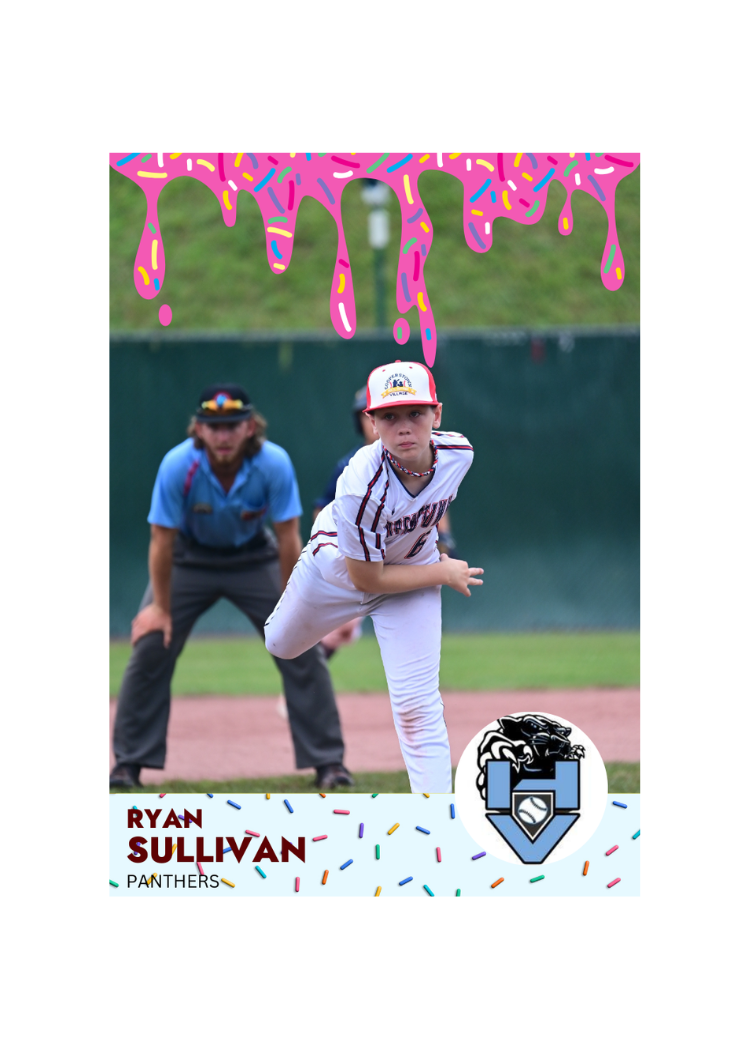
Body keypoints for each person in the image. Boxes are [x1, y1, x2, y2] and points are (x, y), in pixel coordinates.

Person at [110, 383, 353, 790]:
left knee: (302, 645)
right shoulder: (178, 465)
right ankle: (127, 764)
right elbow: (161, 540)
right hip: (189, 558)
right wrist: (160, 609)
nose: (223, 435)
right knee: (152, 642)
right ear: (198, 429)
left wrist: (296, 603)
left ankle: (328, 763)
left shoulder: (273, 463)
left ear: (250, 427)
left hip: (254, 557)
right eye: (213, 426)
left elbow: (288, 536)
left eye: (232, 425)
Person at [265, 361, 483, 793]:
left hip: (410, 572)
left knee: (417, 706)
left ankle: (436, 816)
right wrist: (441, 571)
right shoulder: (360, 484)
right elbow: (367, 580)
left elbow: (431, 506)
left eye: (415, 413)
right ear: (372, 422)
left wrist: (433, 556)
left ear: (437, 414)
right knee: (280, 644)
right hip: (337, 572)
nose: (404, 426)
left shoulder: (459, 454)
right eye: (389, 416)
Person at [312, 385, 459, 660]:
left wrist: (445, 535)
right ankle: (309, 679)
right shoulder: (351, 466)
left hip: (404, 555)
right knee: (340, 630)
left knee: (411, 627)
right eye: (385, 416)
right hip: (362, 558)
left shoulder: (420, 458)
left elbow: (435, 501)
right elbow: (322, 510)